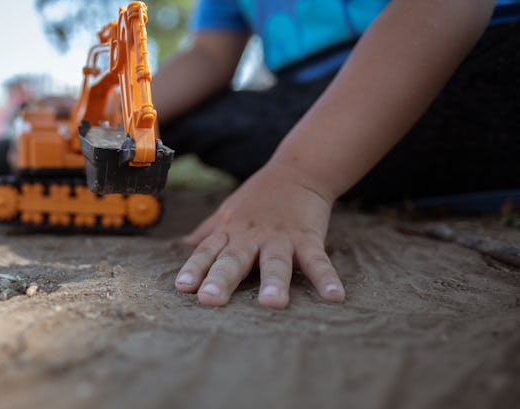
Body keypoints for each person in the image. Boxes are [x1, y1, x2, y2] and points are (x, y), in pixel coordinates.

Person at [149, 0, 520, 308]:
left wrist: (299, 176)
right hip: (312, 103)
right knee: (199, 116)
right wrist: (117, 123)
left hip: (474, 69)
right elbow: (209, 55)